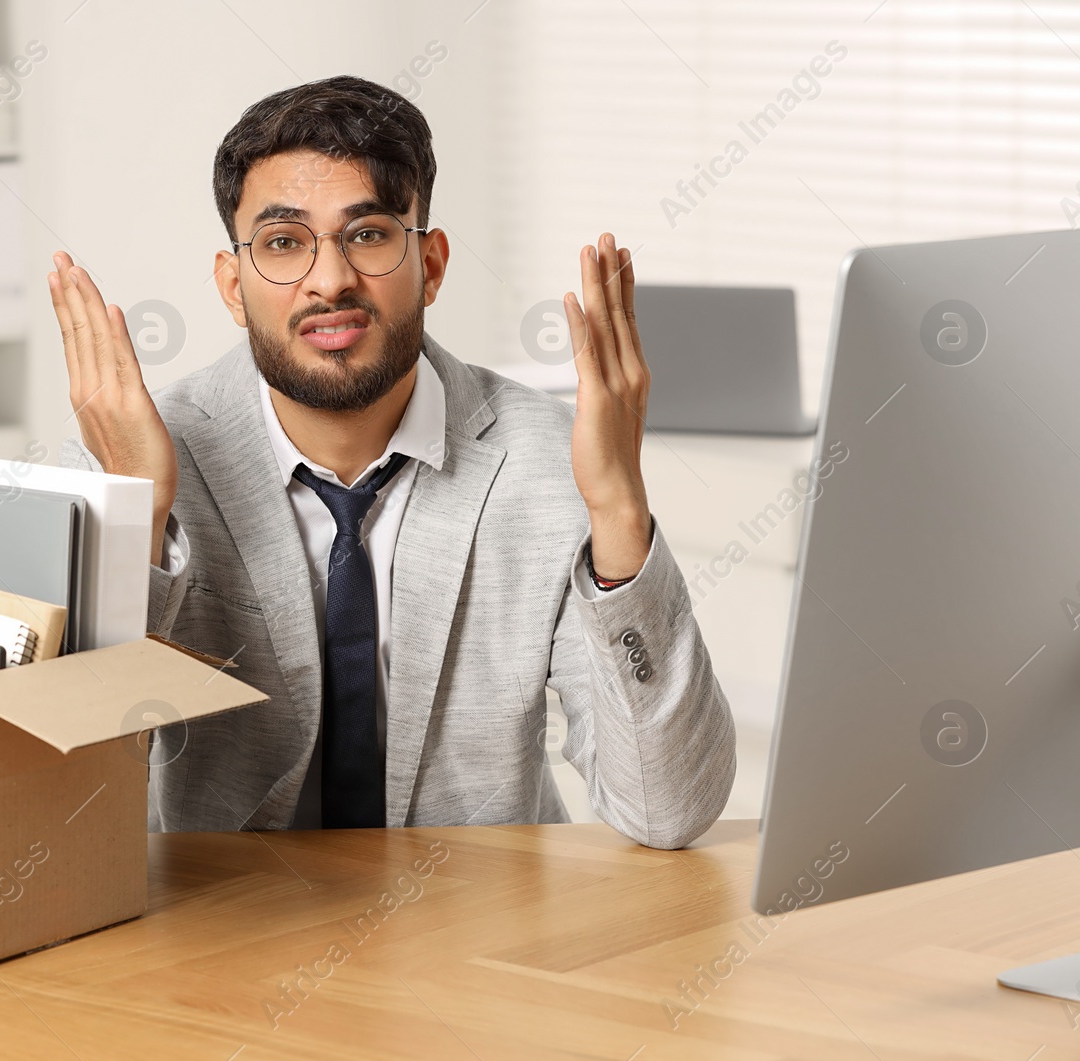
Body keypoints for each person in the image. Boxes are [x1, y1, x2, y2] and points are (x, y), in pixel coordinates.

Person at [49, 74, 734, 846]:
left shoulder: (548, 460)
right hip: (220, 927)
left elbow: (669, 810)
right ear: (233, 286)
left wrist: (618, 511)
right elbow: (63, 802)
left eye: (368, 234)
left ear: (432, 264)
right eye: (283, 243)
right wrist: (134, 510)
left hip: (477, 927)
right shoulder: (140, 457)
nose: (331, 279)